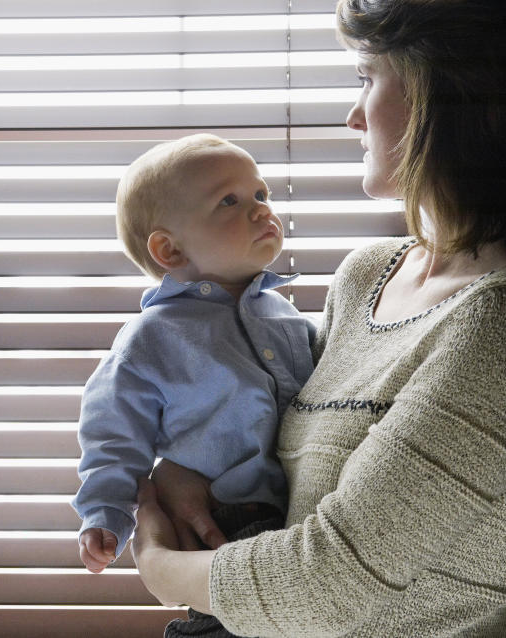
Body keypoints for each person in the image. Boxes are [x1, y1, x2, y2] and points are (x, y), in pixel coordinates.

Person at [131, 0, 506, 636]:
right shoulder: (368, 275)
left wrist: (157, 565)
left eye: (367, 79)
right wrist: (184, 476)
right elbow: (265, 423)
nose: (351, 116)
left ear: (444, 93)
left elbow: (324, 584)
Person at [71, 134, 315, 635]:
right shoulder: (153, 335)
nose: (260, 210)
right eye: (230, 201)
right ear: (169, 248)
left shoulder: (288, 316)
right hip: (222, 520)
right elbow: (113, 430)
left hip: (303, 518)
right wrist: (106, 512)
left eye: (261, 195)